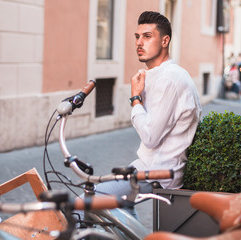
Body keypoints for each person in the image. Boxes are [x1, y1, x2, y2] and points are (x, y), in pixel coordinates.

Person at [80, 11, 202, 220]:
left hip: (160, 172)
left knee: (86, 203)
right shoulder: (160, 75)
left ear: (165, 41)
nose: (139, 42)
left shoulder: (169, 79)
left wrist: (135, 98)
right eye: (137, 37)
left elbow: (150, 137)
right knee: (119, 208)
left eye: (147, 36)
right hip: (148, 165)